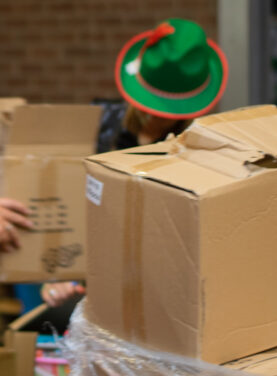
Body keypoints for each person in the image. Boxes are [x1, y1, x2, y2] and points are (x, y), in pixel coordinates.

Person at [42, 17, 228, 308]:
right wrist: (55, 273)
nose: (154, 115)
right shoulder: (97, 126)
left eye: (166, 110)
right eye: (149, 105)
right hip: (87, 273)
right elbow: (61, 201)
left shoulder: (200, 151)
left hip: (158, 287)